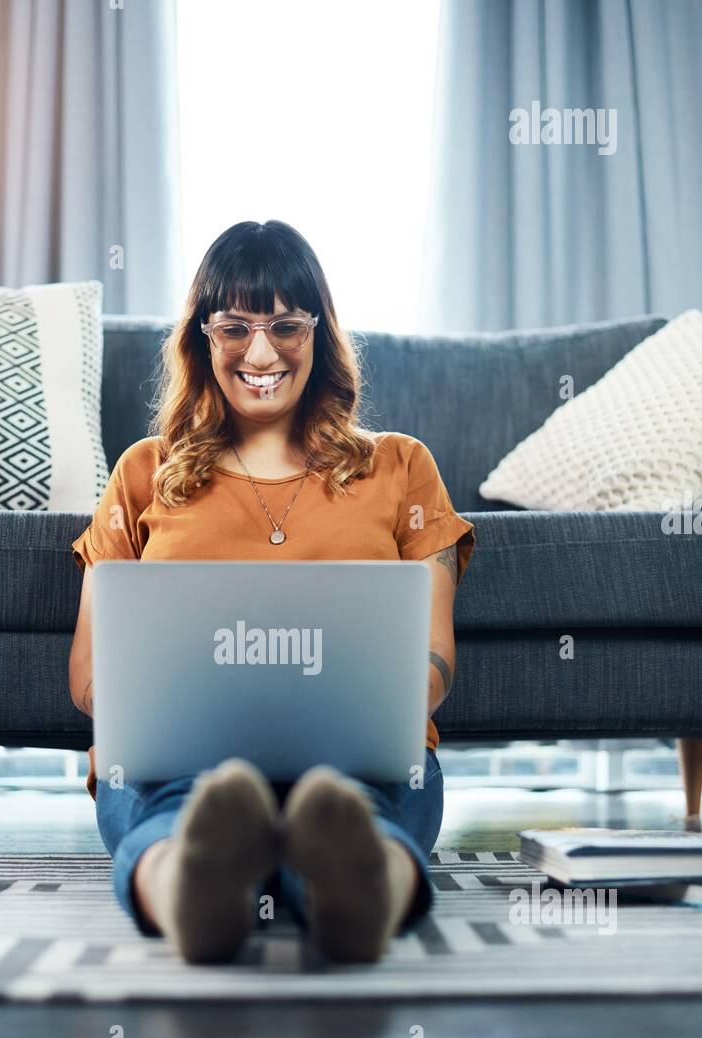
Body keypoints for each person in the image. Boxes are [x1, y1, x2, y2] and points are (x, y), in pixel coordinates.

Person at [69, 220, 475, 965]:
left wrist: (378, 705)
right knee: (175, 809)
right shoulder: (142, 473)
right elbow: (88, 674)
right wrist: (156, 704)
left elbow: (434, 650)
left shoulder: (400, 467)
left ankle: (356, 886)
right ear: (202, 336)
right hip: (177, 762)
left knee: (358, 806)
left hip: (361, 761)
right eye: (235, 328)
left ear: (319, 334)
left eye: (286, 325)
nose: (261, 354)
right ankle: (194, 887)